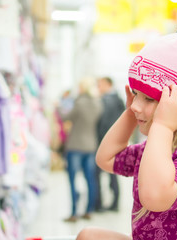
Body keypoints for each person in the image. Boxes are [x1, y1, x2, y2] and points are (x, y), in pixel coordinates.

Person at [76, 32, 177, 239]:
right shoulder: (156, 148)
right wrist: (130, 113)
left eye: (149, 98)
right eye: (135, 95)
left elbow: (156, 196)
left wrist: (164, 126)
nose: (136, 105)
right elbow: (106, 158)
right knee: (89, 236)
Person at [57, 77, 102, 222]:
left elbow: (65, 117)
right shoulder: (97, 104)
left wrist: (57, 106)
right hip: (91, 145)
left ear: (82, 88)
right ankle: (89, 210)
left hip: (75, 145)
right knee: (90, 179)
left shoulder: (79, 103)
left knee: (72, 179)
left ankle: (74, 212)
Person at [95, 76, 125, 212]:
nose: (98, 88)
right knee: (113, 173)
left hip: (107, 141)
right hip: (117, 140)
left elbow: (104, 123)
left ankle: (104, 204)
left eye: (100, 85)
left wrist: (101, 141)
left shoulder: (107, 100)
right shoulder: (118, 99)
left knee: (107, 172)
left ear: (108, 84)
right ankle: (114, 203)